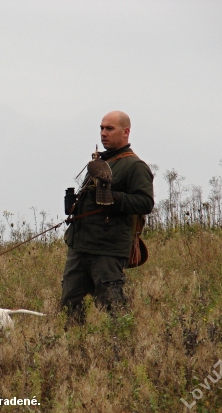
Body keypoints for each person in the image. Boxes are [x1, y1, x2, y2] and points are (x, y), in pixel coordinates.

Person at [61, 111, 154, 324]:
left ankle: (121, 347)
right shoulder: (99, 162)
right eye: (102, 128)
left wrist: (113, 197)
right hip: (80, 246)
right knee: (69, 307)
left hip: (108, 249)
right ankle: (76, 349)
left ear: (126, 132)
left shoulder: (134, 166)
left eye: (109, 129)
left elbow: (145, 203)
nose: (103, 133)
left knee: (113, 306)